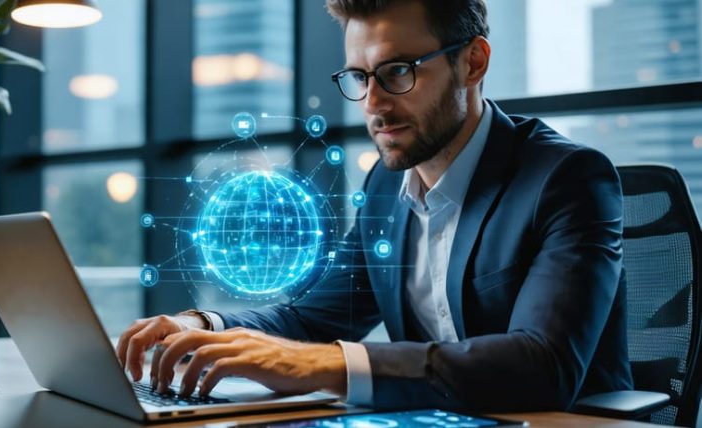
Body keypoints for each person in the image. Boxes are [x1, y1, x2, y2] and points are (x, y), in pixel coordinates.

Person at [116, 0, 633, 411]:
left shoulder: (566, 179)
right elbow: (313, 321)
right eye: (360, 77)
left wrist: (325, 366)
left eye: (399, 71)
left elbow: (543, 367)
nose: (374, 104)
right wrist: (204, 328)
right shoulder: (387, 189)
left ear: (472, 62)